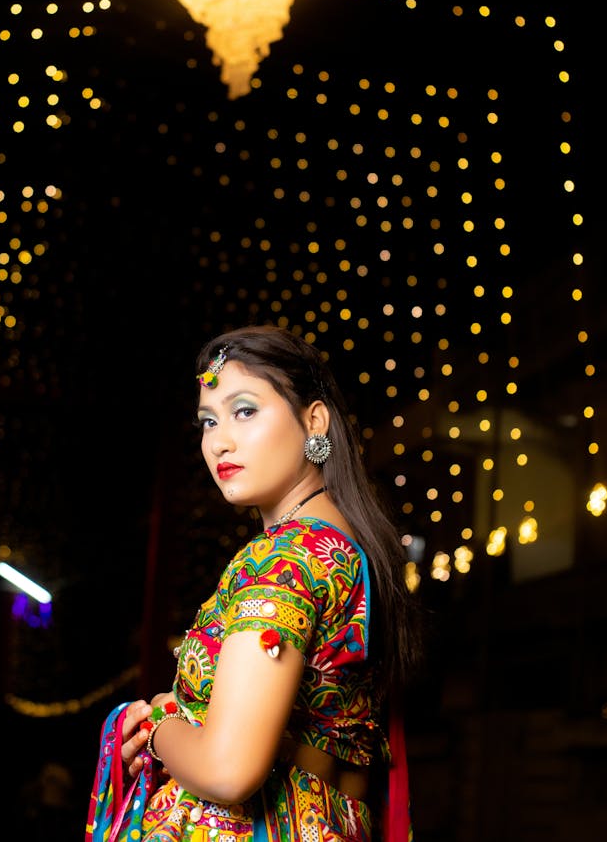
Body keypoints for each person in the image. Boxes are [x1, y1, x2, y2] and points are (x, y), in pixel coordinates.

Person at [86, 324, 422, 842]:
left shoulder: (285, 559)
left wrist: (155, 727)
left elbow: (228, 770)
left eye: (245, 410)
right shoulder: (345, 545)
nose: (219, 441)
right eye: (207, 420)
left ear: (314, 421)